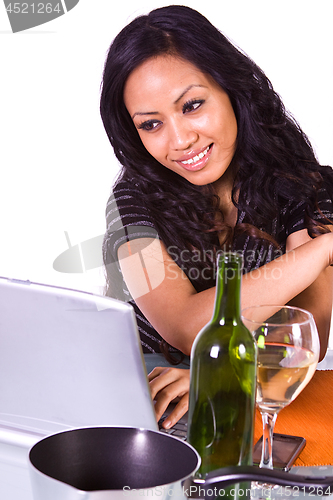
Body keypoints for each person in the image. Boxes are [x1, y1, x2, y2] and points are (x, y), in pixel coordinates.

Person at [100, 6, 333, 425]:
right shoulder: (130, 202)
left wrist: (222, 372)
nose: (181, 140)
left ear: (232, 89)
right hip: (148, 396)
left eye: (192, 105)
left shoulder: (302, 184)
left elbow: (303, 335)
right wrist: (324, 248)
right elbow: (188, 327)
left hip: (253, 390)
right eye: (151, 124)